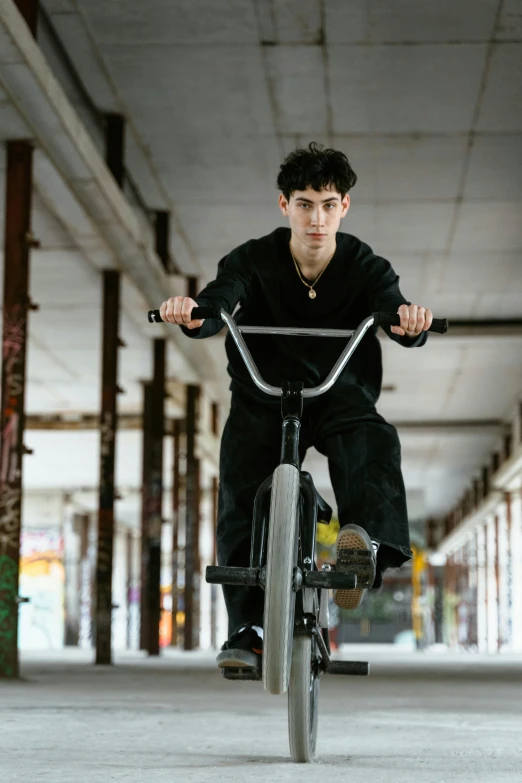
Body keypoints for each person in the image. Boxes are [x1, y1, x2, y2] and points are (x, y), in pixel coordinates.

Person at [160, 142, 433, 671]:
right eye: (305, 204)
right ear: (284, 205)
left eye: (329, 204)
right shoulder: (252, 258)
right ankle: (248, 628)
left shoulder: (361, 262)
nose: (316, 218)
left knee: (374, 441)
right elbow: (219, 300)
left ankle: (364, 548)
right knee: (240, 492)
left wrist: (409, 320)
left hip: (339, 394)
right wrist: (195, 312)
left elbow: (390, 307)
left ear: (344, 207)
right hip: (263, 395)